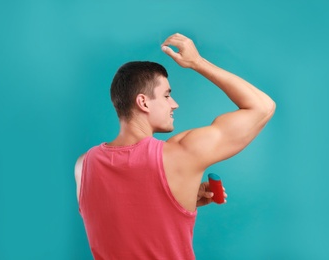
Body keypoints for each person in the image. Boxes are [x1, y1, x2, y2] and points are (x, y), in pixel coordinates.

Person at [75, 33, 275, 259]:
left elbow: (122, 223)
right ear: (143, 102)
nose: (175, 104)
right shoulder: (181, 154)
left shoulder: (83, 166)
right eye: (167, 95)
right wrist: (197, 62)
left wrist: (178, 198)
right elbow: (262, 107)